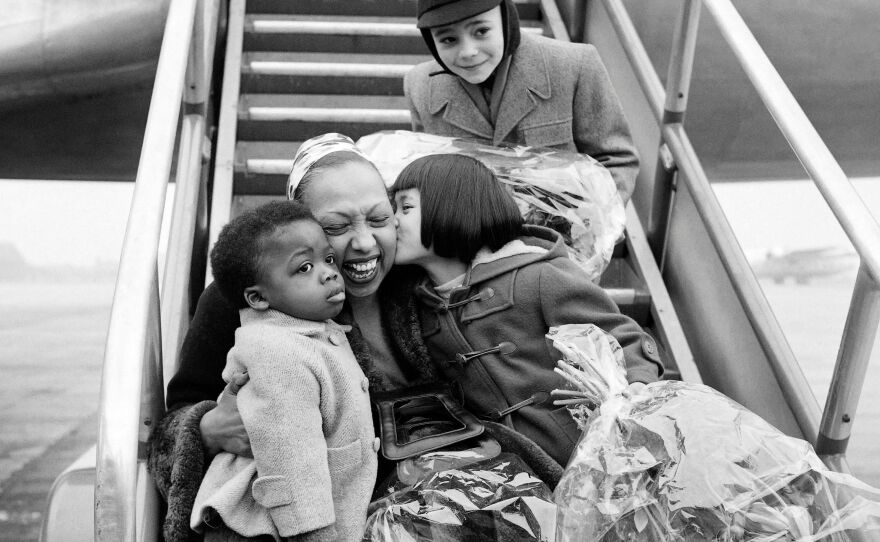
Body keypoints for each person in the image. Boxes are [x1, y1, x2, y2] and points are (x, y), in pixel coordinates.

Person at [148, 133, 566, 542]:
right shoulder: (247, 299)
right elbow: (176, 417)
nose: (365, 243)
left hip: (456, 481)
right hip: (336, 506)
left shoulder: (420, 272)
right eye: (335, 226)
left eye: (380, 219)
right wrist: (204, 428)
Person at [389, 153, 663, 466]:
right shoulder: (417, 311)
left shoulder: (539, 276)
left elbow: (623, 338)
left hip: (593, 457)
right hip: (512, 477)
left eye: (406, 207)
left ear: (451, 206)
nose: (393, 219)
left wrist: (633, 395)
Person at [189, 201, 376, 541]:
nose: (329, 272)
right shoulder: (277, 353)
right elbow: (293, 464)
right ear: (258, 298)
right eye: (304, 267)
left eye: (328, 259)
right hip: (264, 528)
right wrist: (316, 536)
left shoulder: (306, 332)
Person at [404, 0, 640, 203]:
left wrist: (592, 232)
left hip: (561, 246)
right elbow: (427, 176)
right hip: (468, 248)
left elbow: (616, 160)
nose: (468, 51)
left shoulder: (573, 65)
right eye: (448, 39)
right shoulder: (419, 86)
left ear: (507, 20)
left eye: (481, 31)